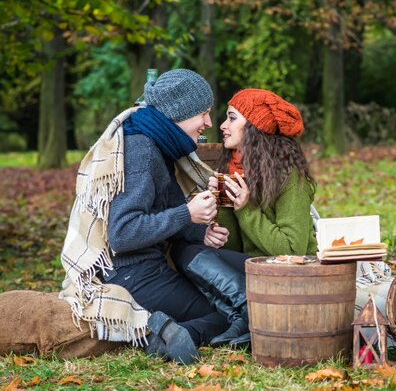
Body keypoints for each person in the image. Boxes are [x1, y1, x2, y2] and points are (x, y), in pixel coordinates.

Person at [60, 69, 240, 364]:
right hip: (132, 273)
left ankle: (166, 330)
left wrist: (199, 232)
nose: (209, 123)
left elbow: (163, 212)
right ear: (180, 113)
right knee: (221, 316)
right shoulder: (142, 151)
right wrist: (187, 213)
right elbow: (123, 233)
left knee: (217, 307)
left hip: (144, 267)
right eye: (204, 114)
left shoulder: (156, 143)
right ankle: (160, 336)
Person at [171, 88, 317, 348]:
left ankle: (241, 313)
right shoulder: (236, 170)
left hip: (293, 275)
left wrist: (246, 209)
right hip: (257, 270)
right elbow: (235, 248)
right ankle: (233, 317)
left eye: (232, 118)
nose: (222, 125)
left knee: (190, 254)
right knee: (187, 249)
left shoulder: (289, 177)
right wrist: (221, 210)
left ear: (255, 127)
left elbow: (292, 250)